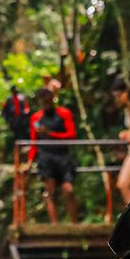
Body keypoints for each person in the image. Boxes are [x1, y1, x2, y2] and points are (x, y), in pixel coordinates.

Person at [25, 86, 78, 224]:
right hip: (46, 157)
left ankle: (75, 223)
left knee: (68, 190)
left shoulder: (64, 113)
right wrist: (29, 162)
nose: (46, 105)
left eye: (48, 101)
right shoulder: (36, 118)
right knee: (50, 192)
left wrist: (50, 134)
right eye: (43, 102)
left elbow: (72, 135)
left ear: (52, 100)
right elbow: (33, 142)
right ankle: (55, 224)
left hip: (63, 156)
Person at [0, 83, 30, 163]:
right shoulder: (9, 99)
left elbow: (26, 108)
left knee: (23, 136)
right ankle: (14, 155)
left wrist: (26, 114)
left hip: (22, 120)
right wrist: (8, 120)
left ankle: (24, 155)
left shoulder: (22, 98)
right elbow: (4, 110)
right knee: (15, 137)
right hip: (13, 121)